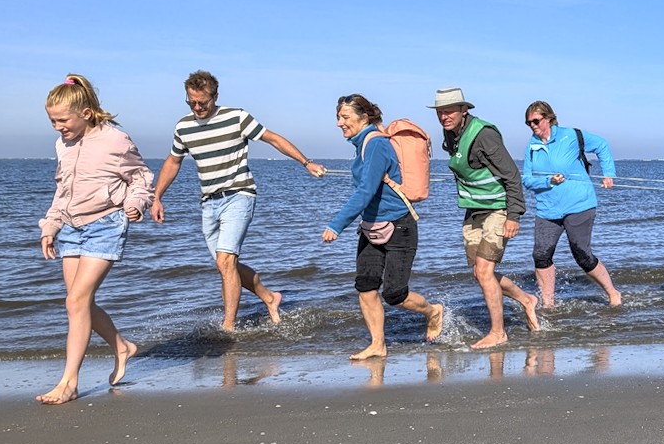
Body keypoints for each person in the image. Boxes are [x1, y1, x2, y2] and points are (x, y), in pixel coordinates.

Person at [151, 71, 327, 331]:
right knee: (226, 266)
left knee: (225, 261)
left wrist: (306, 162)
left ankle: (228, 327)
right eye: (191, 102)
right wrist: (157, 197)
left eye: (203, 102)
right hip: (208, 203)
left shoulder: (237, 117)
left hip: (239, 195)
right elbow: (173, 161)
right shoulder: (183, 127)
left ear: (215, 96)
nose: (197, 107)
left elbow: (273, 138)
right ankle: (270, 297)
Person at [36, 74, 151, 404]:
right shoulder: (64, 144)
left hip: (106, 224)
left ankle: (69, 382)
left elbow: (141, 177)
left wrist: (134, 203)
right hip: (71, 227)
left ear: (86, 113)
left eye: (62, 120)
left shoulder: (115, 140)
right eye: (52, 121)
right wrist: (50, 227)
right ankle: (122, 347)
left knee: (76, 302)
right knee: (77, 303)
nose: (57, 127)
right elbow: (63, 190)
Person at [321, 94, 444, 360]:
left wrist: (336, 224)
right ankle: (378, 344)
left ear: (364, 117)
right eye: (338, 118)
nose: (339, 123)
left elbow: (366, 191)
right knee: (366, 287)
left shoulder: (375, 144)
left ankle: (433, 311)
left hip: (399, 226)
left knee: (395, 294)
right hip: (371, 227)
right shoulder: (361, 144)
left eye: (345, 117)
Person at [431, 87, 539, 348]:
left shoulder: (484, 135)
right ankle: (526, 300)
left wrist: (514, 216)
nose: (444, 116)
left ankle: (498, 333)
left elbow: (512, 175)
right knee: (480, 274)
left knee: (485, 270)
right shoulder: (450, 133)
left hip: (499, 209)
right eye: (440, 112)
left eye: (449, 111)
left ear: (463, 110)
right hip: (474, 210)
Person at [520, 100, 622, 308]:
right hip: (547, 210)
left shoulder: (571, 136)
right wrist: (548, 181)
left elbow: (602, 145)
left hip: (579, 205)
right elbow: (527, 180)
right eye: (528, 123)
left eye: (536, 121)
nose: (532, 126)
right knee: (540, 255)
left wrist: (608, 174)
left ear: (548, 118)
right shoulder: (531, 147)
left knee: (582, 256)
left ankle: (613, 293)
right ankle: (549, 304)